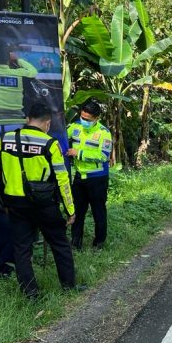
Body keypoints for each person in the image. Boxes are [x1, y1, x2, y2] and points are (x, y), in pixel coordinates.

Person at [0, 103, 80, 299]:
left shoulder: (6, 139)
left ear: (27, 119)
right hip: (43, 204)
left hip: (15, 203)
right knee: (60, 244)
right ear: (47, 123)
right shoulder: (50, 143)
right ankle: (68, 286)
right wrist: (70, 210)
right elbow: (62, 178)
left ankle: (31, 294)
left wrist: (4, 202)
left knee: (22, 249)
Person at [66, 100, 112, 250]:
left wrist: (78, 153)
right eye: (82, 117)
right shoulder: (75, 127)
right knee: (77, 212)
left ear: (97, 118)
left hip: (97, 179)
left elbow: (103, 156)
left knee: (98, 211)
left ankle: (99, 243)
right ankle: (75, 242)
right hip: (79, 178)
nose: (83, 121)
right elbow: (60, 135)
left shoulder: (104, 133)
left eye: (87, 119)